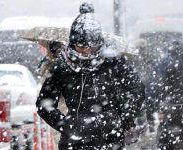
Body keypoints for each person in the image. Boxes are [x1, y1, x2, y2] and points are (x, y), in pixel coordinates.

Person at [36, 2, 145, 150]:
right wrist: (67, 126)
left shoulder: (113, 62)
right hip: (75, 141)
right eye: (81, 46)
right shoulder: (62, 66)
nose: (86, 51)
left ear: (99, 43)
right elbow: (44, 104)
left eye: (91, 46)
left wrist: (125, 118)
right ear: (72, 44)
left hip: (110, 138)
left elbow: (136, 89)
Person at [156, 40, 183, 149]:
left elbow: (159, 85)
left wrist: (159, 106)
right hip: (178, 103)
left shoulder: (165, 62)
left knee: (166, 133)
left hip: (170, 104)